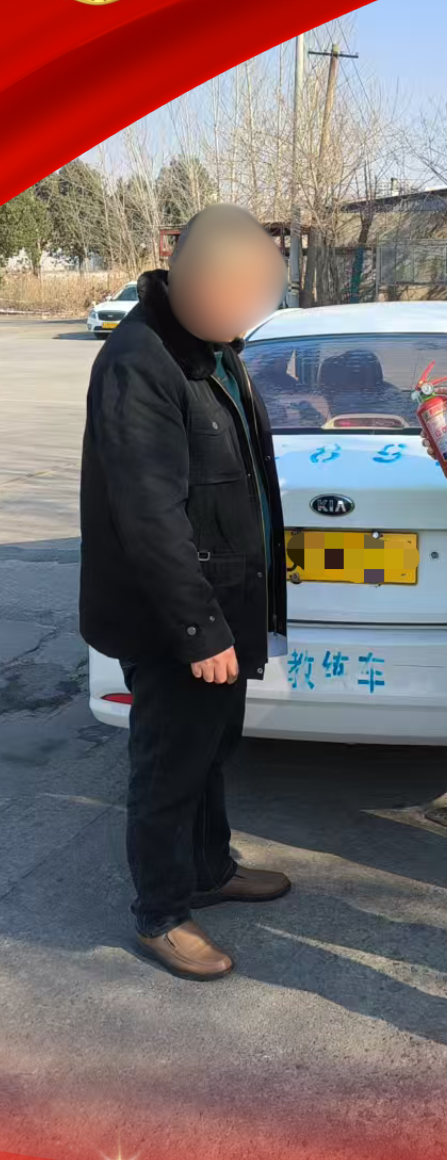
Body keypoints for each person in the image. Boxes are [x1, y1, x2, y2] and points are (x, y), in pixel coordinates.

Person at [79, 204, 292, 980]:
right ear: (193, 277)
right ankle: (162, 912)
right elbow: (148, 513)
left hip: (220, 602)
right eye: (242, 295)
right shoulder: (140, 361)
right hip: (174, 619)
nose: (250, 313)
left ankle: (210, 867)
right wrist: (199, 629)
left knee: (210, 752)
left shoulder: (213, 346)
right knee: (169, 767)